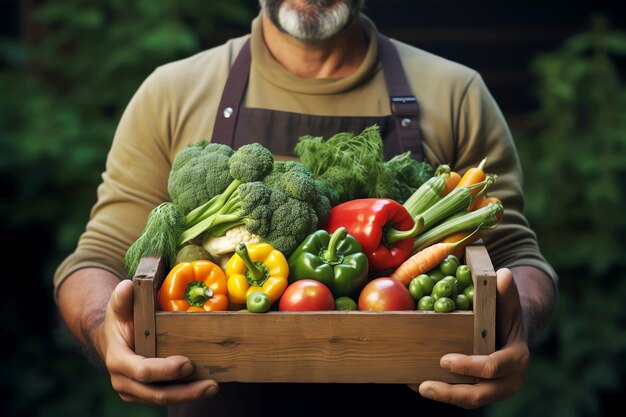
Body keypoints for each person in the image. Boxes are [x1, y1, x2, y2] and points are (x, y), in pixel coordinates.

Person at [54, 0, 557, 415]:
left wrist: (517, 322)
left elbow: (517, 255)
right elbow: (94, 258)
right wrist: (105, 332)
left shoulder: (455, 93)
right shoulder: (171, 91)